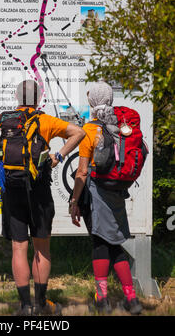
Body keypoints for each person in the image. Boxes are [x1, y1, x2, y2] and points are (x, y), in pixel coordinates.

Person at [0, 79, 86, 316]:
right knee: (41, 248)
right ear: (39, 98)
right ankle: (41, 304)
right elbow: (78, 132)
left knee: (18, 247)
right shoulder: (45, 121)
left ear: (17, 98)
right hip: (39, 189)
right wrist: (58, 157)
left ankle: (24, 306)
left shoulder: (2, 122)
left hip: (11, 189)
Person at [69, 81, 143, 315]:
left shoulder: (89, 130)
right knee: (115, 243)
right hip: (117, 190)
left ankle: (102, 299)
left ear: (91, 102)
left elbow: (82, 171)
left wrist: (74, 201)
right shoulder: (120, 126)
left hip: (95, 191)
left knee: (100, 242)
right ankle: (131, 299)